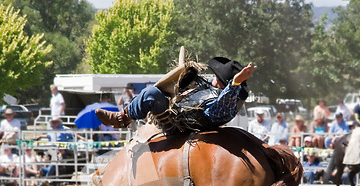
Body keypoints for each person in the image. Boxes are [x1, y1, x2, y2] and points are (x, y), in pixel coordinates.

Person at [96, 57, 257, 134]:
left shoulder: (223, 102)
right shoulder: (206, 85)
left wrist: (234, 84)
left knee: (150, 94)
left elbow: (218, 109)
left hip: (179, 125)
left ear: (223, 83)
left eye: (217, 76)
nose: (214, 77)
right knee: (154, 92)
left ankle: (122, 118)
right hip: (176, 113)